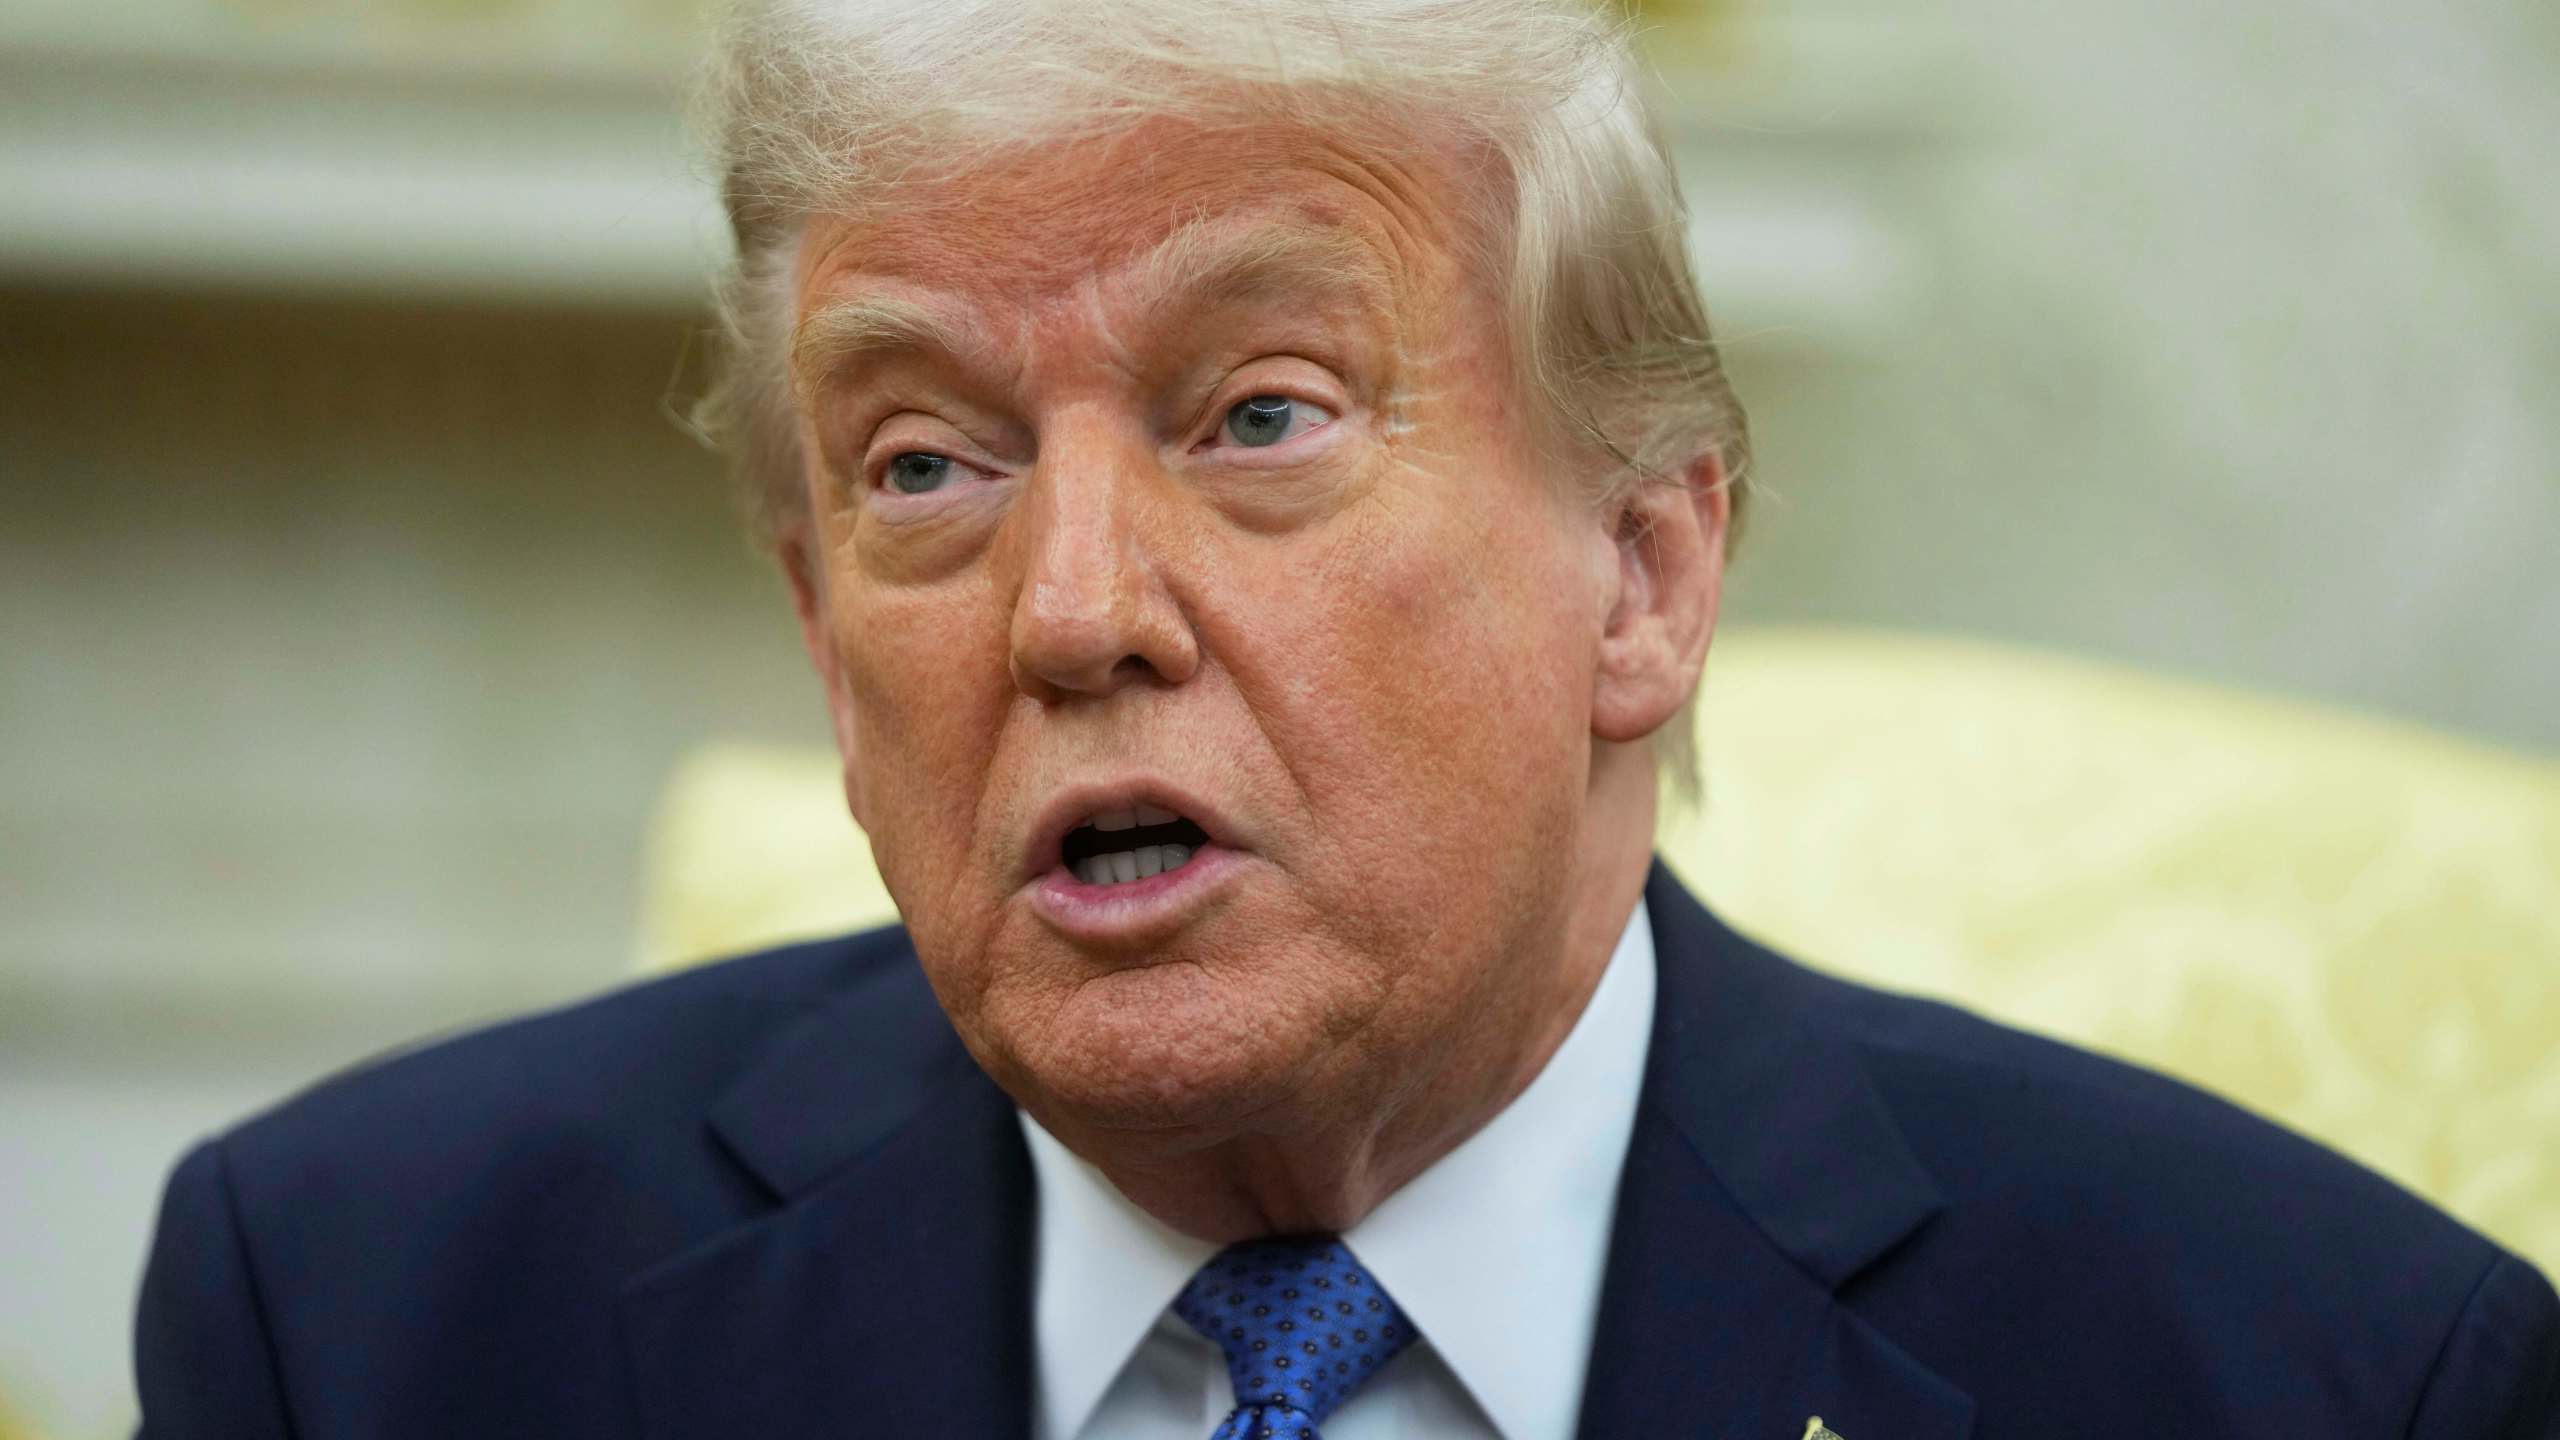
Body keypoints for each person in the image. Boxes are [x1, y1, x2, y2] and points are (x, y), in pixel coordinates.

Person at [133, 1, 2558, 1435]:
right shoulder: (376, 1317)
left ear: (1644, 567)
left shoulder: (2309, 1382)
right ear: (810, 612)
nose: (1070, 614)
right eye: (925, 466)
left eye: (1259, 413)